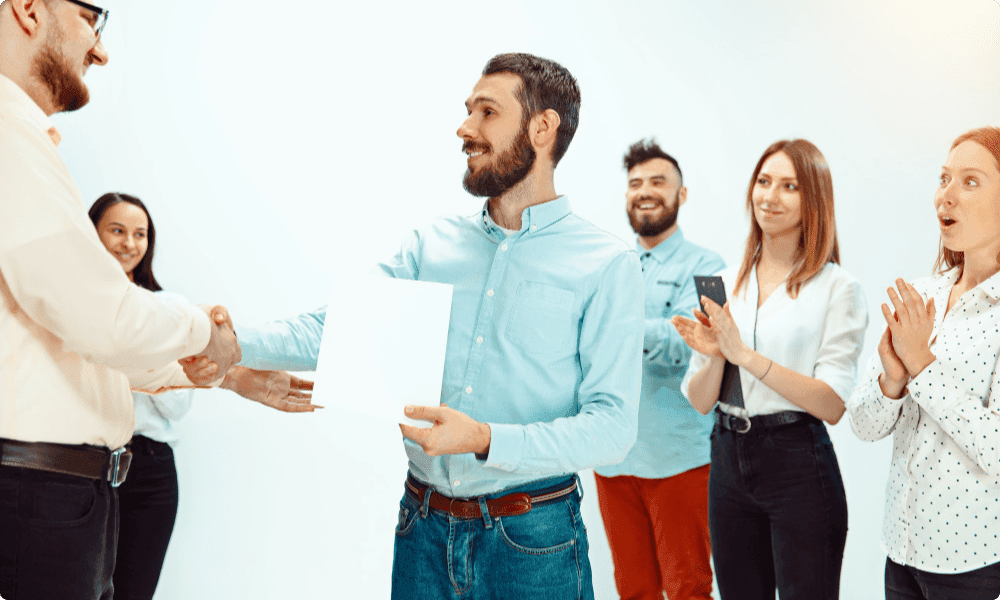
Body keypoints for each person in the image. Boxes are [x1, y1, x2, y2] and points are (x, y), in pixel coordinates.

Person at [190, 52, 644, 599]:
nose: (465, 128)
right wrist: (236, 346)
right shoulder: (430, 246)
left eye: (486, 112)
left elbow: (612, 428)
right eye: (467, 111)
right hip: (424, 529)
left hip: (533, 541)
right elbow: (343, 328)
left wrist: (483, 439)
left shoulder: (605, 263)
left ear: (542, 127)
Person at [0, 2, 241, 598]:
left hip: (60, 491)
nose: (101, 50)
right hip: (38, 491)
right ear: (29, 10)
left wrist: (232, 374)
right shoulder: (8, 134)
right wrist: (203, 332)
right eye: (91, 19)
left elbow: (68, 338)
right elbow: (100, 318)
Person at [88, 192, 315, 600]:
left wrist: (147, 338)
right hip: (88, 462)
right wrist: (147, 346)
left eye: (140, 234)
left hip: (150, 467)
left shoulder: (166, 307)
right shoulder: (75, 307)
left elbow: (176, 404)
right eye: (117, 230)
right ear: (91, 234)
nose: (129, 243)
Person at [673, 139, 867, 600]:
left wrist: (744, 355)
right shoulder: (724, 282)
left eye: (789, 186)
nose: (770, 196)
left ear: (813, 199)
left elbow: (833, 403)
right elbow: (700, 401)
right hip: (726, 459)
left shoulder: (838, 287)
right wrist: (719, 352)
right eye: (763, 182)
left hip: (797, 461)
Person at [847, 126, 1000, 600]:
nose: (946, 196)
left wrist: (923, 366)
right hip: (902, 549)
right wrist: (893, 378)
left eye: (970, 182)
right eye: (944, 179)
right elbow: (863, 425)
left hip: (972, 563)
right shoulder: (925, 294)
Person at [592, 139, 723, 600]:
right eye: (635, 183)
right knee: (633, 591)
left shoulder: (710, 267)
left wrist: (611, 326)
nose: (645, 191)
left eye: (658, 182)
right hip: (613, 458)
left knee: (687, 588)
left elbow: (697, 343)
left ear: (681, 195)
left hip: (680, 461)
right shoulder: (605, 265)